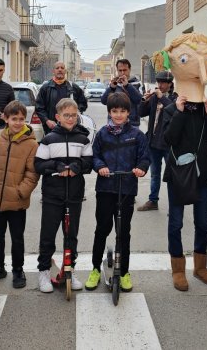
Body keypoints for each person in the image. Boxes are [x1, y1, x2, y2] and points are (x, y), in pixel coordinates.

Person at [155, 32, 207, 291]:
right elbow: (167, 139)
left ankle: (200, 266)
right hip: (178, 173)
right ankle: (178, 269)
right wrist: (177, 112)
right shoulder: (170, 108)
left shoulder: (206, 107)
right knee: (175, 222)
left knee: (202, 222)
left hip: (203, 174)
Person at [85, 93, 150, 292]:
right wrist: (100, 167)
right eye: (115, 111)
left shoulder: (137, 135)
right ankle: (95, 268)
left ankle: (124, 272)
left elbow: (145, 158)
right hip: (105, 188)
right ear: (109, 112)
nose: (118, 115)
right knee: (102, 229)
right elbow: (94, 155)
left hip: (127, 189)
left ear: (128, 112)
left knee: (123, 232)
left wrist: (141, 168)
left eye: (122, 111)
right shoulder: (103, 133)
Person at [0, 100, 40, 289]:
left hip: (17, 201)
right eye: (14, 119)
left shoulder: (31, 145)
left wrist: (21, 191)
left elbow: (32, 173)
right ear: (6, 119)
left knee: (17, 237)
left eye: (21, 119)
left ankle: (18, 270)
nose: (18, 122)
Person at [34, 98, 93, 293]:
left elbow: (88, 162)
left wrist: (77, 167)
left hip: (74, 194)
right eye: (66, 115)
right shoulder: (49, 139)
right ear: (58, 117)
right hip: (52, 194)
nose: (70, 118)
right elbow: (39, 165)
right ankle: (43, 271)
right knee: (48, 234)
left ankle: (69, 269)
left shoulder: (83, 138)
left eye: (73, 115)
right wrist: (56, 166)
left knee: (71, 235)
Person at [136, 70, 176, 211]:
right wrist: (144, 100)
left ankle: (174, 205)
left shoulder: (175, 98)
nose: (160, 85)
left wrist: (162, 98)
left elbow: (175, 112)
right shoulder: (154, 97)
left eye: (163, 83)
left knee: (171, 176)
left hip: (168, 144)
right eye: (158, 82)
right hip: (153, 142)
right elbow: (141, 113)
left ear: (170, 84)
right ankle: (153, 201)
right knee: (154, 174)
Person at [36, 61, 88, 134]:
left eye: (62, 68)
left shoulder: (74, 87)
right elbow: (39, 108)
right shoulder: (45, 88)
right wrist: (47, 121)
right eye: (57, 68)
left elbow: (83, 104)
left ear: (65, 71)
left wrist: (76, 113)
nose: (60, 70)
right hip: (51, 129)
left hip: (71, 128)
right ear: (53, 71)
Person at [101, 59, 143, 126]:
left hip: (132, 123)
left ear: (129, 69)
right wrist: (111, 88)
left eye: (125, 70)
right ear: (117, 71)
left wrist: (127, 86)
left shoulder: (137, 83)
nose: (122, 73)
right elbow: (103, 101)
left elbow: (140, 100)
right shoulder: (114, 83)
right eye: (120, 70)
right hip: (113, 123)